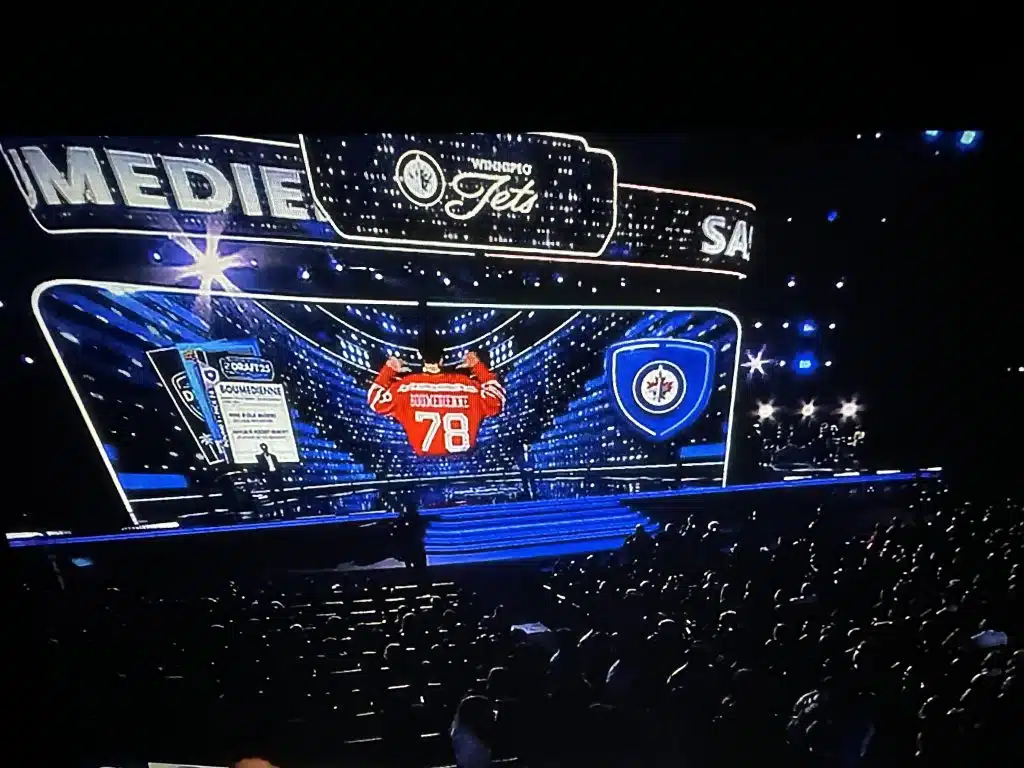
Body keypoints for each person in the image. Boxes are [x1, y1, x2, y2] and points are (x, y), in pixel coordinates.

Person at [368, 331, 505, 457]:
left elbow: (374, 400)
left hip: (422, 461)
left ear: (421, 357)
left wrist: (389, 369)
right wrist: (477, 366)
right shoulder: (468, 386)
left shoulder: (404, 388)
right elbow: (497, 400)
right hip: (464, 457)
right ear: (442, 359)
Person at [254, 443, 285, 516]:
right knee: (272, 492)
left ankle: (284, 506)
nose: (264, 448)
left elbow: (277, 465)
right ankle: (275, 508)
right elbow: (260, 467)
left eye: (265, 447)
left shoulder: (273, 456)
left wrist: (279, 472)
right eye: (263, 447)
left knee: (281, 491)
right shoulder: (260, 457)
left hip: (276, 474)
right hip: (269, 475)